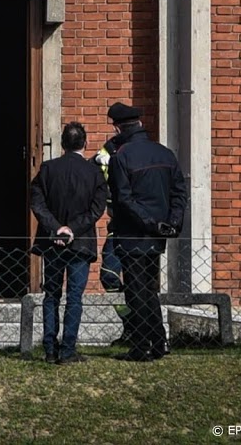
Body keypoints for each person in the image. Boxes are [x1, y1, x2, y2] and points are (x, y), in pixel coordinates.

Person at [106, 102, 188, 362]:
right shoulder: (165, 154)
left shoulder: (122, 157)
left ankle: (142, 346)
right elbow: (179, 193)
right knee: (149, 289)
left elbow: (123, 199)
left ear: (118, 127)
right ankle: (159, 340)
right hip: (158, 235)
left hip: (132, 233)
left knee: (135, 290)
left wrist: (149, 223)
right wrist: (171, 223)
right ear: (140, 124)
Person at [29, 122, 108, 364]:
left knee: (51, 294)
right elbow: (97, 209)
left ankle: (50, 349)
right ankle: (68, 349)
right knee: (75, 297)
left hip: (53, 243)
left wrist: (56, 227)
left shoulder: (48, 169)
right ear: (85, 144)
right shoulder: (94, 173)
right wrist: (73, 229)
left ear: (62, 144)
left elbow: (37, 203)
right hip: (80, 242)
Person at [94, 132, 131, 345]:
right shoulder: (110, 151)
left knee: (140, 282)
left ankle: (142, 330)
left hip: (138, 230)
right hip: (116, 228)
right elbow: (95, 164)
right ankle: (129, 323)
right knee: (109, 275)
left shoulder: (142, 157)